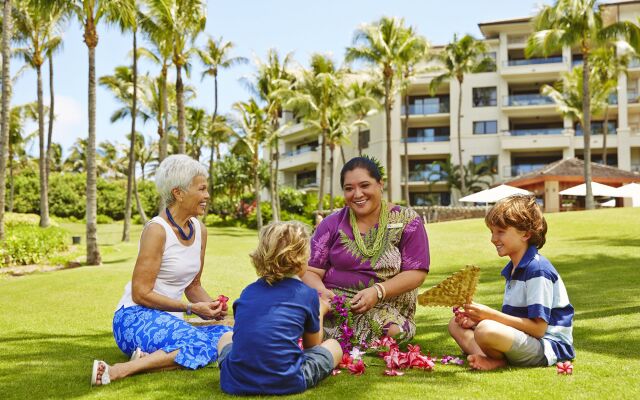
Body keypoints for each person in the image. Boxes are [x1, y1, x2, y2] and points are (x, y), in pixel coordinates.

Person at [91, 155, 232, 386]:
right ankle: (118, 371)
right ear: (179, 193)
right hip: (133, 318)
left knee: (229, 337)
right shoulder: (157, 230)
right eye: (202, 189)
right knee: (198, 343)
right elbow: (141, 294)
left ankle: (150, 360)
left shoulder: (200, 230)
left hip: (170, 322)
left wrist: (212, 309)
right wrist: (190, 308)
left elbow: (193, 286)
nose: (207, 196)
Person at [302, 156, 430, 345]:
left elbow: (417, 273)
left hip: (386, 306)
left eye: (364, 185)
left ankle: (326, 340)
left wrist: (378, 291)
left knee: (396, 332)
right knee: (293, 319)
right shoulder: (332, 223)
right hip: (333, 306)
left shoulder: (407, 221)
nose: (357, 194)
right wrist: (322, 293)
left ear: (380, 184)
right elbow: (311, 271)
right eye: (349, 188)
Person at [449, 195, 575, 370]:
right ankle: (493, 358)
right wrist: (475, 321)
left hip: (547, 346)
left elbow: (538, 330)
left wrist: (488, 316)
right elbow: (515, 322)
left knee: (486, 329)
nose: (493, 239)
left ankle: (497, 360)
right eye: (492, 232)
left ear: (526, 234)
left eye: (500, 231)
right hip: (526, 340)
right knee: (456, 325)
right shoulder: (513, 269)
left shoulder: (537, 270)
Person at [217, 221, 342, 395]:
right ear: (301, 260)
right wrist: (320, 311)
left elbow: (244, 336)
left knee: (226, 337)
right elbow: (311, 346)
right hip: (287, 381)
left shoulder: (248, 291)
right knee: (334, 346)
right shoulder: (306, 294)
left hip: (234, 380)